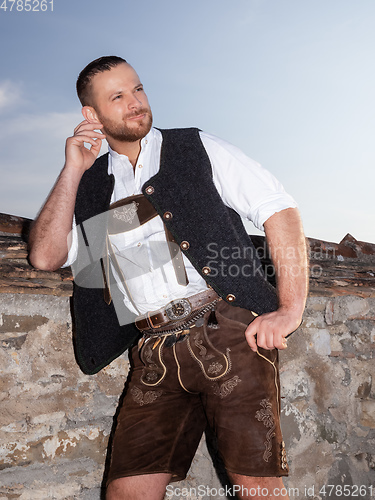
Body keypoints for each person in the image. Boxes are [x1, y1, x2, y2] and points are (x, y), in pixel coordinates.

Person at [28, 56, 308, 500]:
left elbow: (280, 210)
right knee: (127, 492)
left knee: (256, 487)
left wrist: (289, 308)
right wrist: (74, 168)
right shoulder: (93, 186)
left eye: (137, 89)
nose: (136, 103)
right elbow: (46, 256)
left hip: (229, 331)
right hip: (153, 353)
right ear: (91, 115)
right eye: (117, 97)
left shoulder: (193, 147)